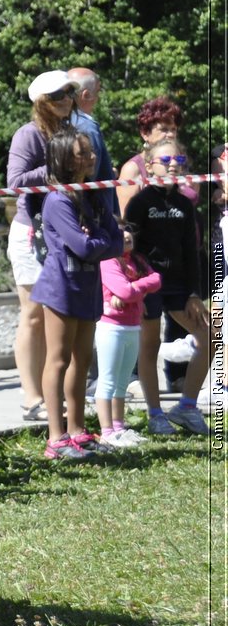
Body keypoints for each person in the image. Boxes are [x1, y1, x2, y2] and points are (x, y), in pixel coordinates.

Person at [31, 130, 120, 459]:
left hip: (87, 287)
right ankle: (56, 439)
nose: (92, 158)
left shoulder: (93, 195)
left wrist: (98, 238)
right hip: (61, 289)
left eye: (91, 152)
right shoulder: (57, 199)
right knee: (58, 360)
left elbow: (117, 240)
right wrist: (101, 241)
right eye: (83, 153)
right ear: (65, 159)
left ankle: (78, 431)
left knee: (82, 362)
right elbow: (83, 246)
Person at [121, 137, 211, 435]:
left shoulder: (185, 205)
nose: (174, 165)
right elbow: (129, 250)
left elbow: (192, 252)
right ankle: (155, 413)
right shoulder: (139, 203)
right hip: (148, 287)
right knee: (150, 345)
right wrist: (135, 285)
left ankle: (186, 407)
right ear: (148, 167)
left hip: (179, 287)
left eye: (180, 161)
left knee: (208, 337)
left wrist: (196, 293)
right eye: (166, 160)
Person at [6, 69, 80, 423]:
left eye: (69, 92)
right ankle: (31, 396)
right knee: (33, 314)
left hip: (61, 232)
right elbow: (15, 182)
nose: (66, 99)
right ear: (41, 102)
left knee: (57, 313)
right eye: (58, 95)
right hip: (29, 233)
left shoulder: (72, 131)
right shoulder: (28, 134)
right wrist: (54, 167)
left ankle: (55, 392)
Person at [96, 224, 160, 447]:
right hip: (111, 327)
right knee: (108, 380)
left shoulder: (137, 261)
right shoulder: (108, 261)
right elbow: (124, 291)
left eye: (127, 230)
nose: (125, 235)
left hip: (133, 326)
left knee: (122, 382)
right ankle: (106, 431)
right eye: (118, 232)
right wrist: (136, 290)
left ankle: (119, 427)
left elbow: (157, 280)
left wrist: (134, 289)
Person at [67, 67, 115, 217]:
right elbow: (89, 173)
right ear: (86, 95)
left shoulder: (63, 122)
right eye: (98, 92)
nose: (98, 97)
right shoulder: (87, 126)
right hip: (95, 212)